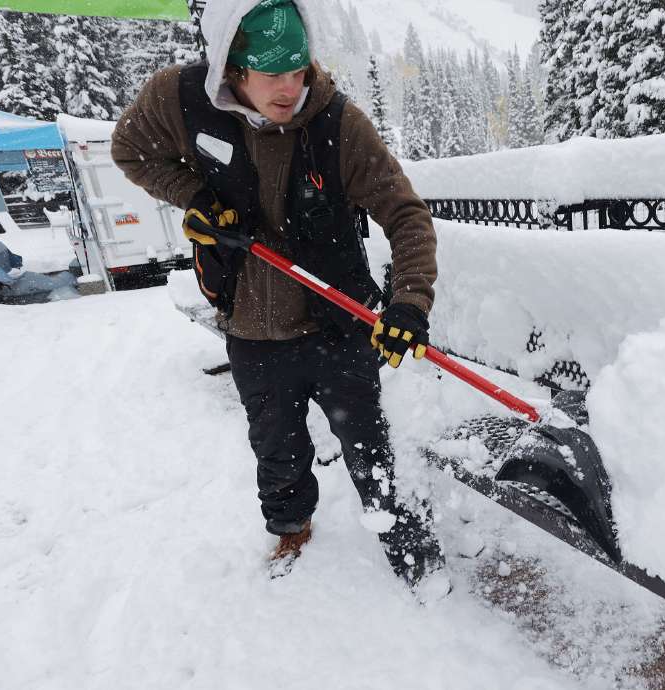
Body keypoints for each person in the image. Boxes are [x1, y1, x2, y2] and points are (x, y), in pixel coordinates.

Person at [111, 0, 448, 598]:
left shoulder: (338, 124)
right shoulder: (181, 98)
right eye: (272, 74)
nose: (290, 87)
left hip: (338, 322)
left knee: (368, 443)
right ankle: (291, 528)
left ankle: (406, 542)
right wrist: (195, 197)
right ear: (233, 69)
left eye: (298, 70)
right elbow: (130, 151)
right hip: (249, 323)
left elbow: (407, 215)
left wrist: (408, 305)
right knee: (276, 444)